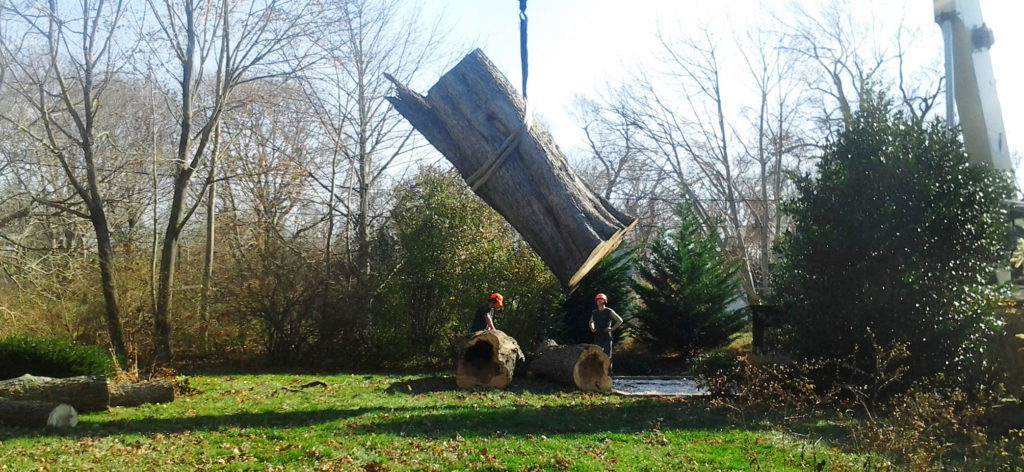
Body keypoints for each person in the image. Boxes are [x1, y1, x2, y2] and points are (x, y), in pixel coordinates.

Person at [589, 293, 623, 364]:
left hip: (607, 336)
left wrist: (612, 328)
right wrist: (592, 328)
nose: (599, 301)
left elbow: (620, 320)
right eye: (597, 299)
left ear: (604, 301)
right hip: (598, 336)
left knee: (607, 356)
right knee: (597, 356)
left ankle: (608, 373)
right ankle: (599, 373)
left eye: (601, 299)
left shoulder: (609, 311)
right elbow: (591, 322)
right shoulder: (594, 312)